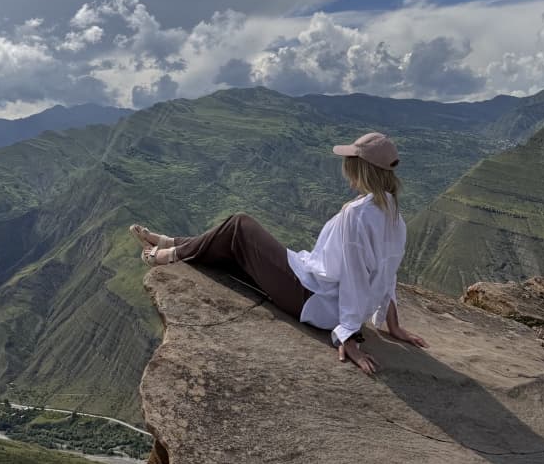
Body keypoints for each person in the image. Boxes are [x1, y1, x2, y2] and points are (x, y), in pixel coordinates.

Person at [130, 131, 428, 374]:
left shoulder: (356, 214)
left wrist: (348, 334)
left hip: (312, 296)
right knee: (236, 245)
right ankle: (172, 243)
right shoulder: (393, 215)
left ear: (361, 168)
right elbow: (387, 272)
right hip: (320, 293)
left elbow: (354, 274)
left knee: (240, 225)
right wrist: (392, 323)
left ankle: (167, 254)